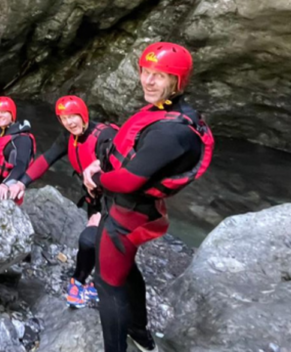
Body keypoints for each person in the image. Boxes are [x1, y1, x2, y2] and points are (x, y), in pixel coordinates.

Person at [82, 42, 214, 352]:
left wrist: (97, 177)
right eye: (146, 72)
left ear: (177, 82)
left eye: (160, 75)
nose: (148, 81)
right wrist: (101, 163)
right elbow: (133, 153)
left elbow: (127, 181)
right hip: (137, 209)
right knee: (125, 269)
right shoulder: (171, 112)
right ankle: (141, 335)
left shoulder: (173, 133)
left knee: (107, 283)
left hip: (126, 213)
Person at [23, 95, 118, 307]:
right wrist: (21, 183)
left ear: (83, 114)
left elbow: (122, 165)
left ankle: (83, 284)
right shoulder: (69, 137)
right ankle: (87, 284)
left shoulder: (106, 135)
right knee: (96, 241)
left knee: (91, 240)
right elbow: (46, 159)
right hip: (96, 198)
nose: (69, 122)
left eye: (73, 116)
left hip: (117, 198)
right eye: (64, 118)